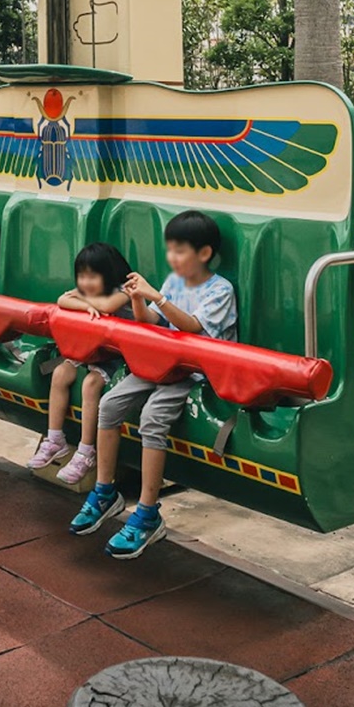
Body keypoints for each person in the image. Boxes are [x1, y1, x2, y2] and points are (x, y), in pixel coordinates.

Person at [70, 210, 237, 560]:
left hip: (194, 371)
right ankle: (104, 492)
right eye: (170, 250)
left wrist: (156, 296)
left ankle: (147, 512)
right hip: (161, 362)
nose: (172, 258)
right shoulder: (174, 281)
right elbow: (152, 322)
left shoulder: (221, 290)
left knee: (152, 420)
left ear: (204, 254)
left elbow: (191, 327)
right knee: (110, 405)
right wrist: (137, 298)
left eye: (179, 251)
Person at [28, 242, 133, 485]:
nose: (85, 283)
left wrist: (86, 301)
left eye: (92, 277)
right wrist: (85, 304)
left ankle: (86, 451)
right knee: (61, 372)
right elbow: (62, 300)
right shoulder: (89, 294)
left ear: (109, 274)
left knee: (90, 383)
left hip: (120, 355)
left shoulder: (124, 290)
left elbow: (108, 306)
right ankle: (56, 440)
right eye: (81, 277)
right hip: (94, 350)